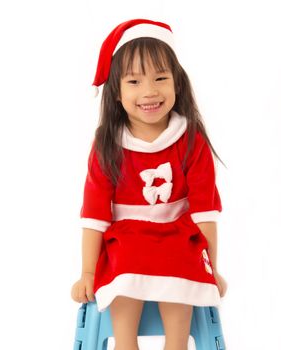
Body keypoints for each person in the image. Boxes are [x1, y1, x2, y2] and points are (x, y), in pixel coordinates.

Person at [70, 19, 228, 350]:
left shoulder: (190, 141)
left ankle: (177, 345)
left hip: (178, 234)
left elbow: (204, 213)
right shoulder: (108, 143)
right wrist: (87, 273)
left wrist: (213, 267)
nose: (149, 91)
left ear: (177, 84)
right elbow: (95, 215)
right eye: (134, 81)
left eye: (160, 78)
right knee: (124, 269)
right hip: (127, 237)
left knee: (181, 266)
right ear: (116, 90)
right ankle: (126, 345)